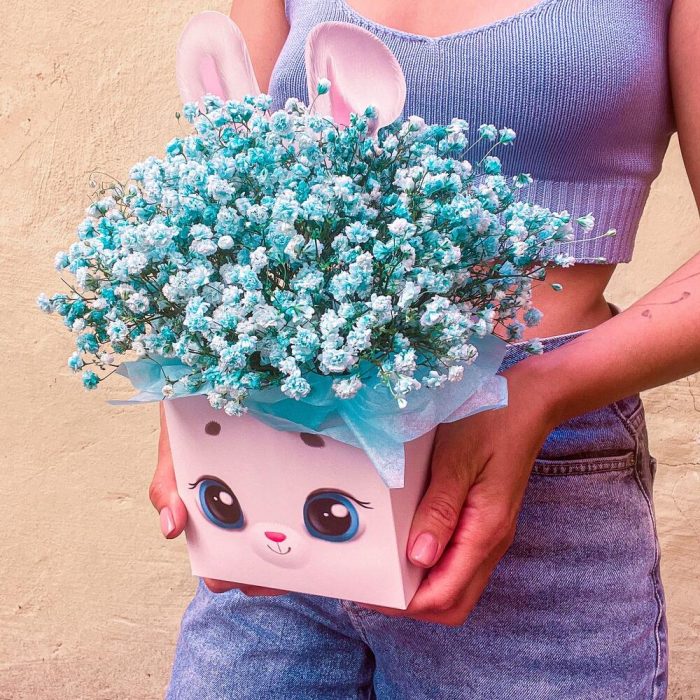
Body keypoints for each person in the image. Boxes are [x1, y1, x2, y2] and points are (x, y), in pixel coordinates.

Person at [150, 1, 700, 697]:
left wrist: (536, 391)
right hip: (285, 445)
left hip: (535, 480)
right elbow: (227, 187)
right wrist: (194, 376)